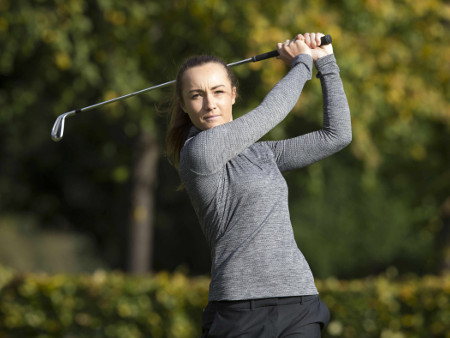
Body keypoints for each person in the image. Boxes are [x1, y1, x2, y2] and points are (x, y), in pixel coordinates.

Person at [166, 32, 352, 337]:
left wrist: (326, 63)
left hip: (300, 301)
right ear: (184, 105)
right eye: (196, 95)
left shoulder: (263, 153)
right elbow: (269, 113)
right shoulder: (198, 153)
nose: (210, 103)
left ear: (233, 94)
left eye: (218, 91)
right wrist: (301, 63)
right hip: (240, 309)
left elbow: (337, 136)